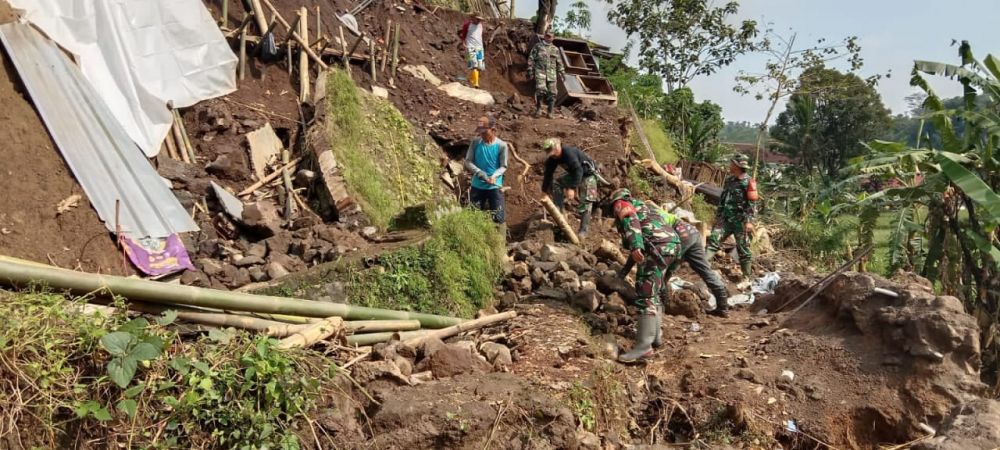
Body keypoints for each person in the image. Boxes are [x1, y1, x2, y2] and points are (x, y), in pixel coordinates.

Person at [606, 188, 681, 363]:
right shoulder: (646, 208)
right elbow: (644, 236)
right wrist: (624, 271)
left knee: (645, 294)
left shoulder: (622, 204)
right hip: (672, 246)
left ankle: (643, 347)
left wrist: (635, 245)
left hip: (658, 248)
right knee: (653, 291)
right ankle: (655, 338)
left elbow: (631, 222)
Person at [620, 206, 732, 323]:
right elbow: (637, 251)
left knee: (660, 269)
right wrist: (623, 273)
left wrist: (622, 274)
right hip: (692, 232)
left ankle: (662, 306)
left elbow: (638, 249)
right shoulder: (649, 213)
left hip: (681, 235)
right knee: (705, 270)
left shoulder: (642, 220)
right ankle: (723, 307)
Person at [707, 154, 759, 281]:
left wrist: (749, 221)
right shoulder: (730, 180)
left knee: (743, 248)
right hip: (725, 219)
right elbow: (723, 199)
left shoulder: (749, 182)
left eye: (732, 163)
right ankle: (703, 268)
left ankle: (746, 277)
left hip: (741, 222)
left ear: (737, 166)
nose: (730, 165)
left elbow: (753, 204)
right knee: (714, 240)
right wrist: (718, 216)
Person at [540, 138, 599, 238]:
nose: (553, 155)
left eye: (554, 152)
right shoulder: (553, 159)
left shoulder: (568, 153)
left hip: (588, 174)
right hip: (575, 175)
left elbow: (579, 170)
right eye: (551, 153)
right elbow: (548, 174)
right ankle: (560, 212)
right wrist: (544, 191)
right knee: (556, 184)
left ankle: (583, 231)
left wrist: (572, 188)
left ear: (558, 146)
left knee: (587, 200)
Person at [464, 116, 508, 225]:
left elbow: (503, 166)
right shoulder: (475, 143)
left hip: (494, 186)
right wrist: (479, 172)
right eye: (480, 132)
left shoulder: (501, 146)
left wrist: (494, 176)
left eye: (484, 132)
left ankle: (498, 240)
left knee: (499, 218)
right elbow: (468, 161)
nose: (482, 135)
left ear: (493, 130)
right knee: (473, 217)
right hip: (477, 186)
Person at [527, 32, 564, 118]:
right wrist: (530, 69)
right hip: (540, 72)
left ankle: (550, 112)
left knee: (553, 92)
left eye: (550, 36)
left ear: (553, 38)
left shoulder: (555, 49)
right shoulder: (538, 46)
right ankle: (539, 109)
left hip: (552, 74)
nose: (547, 38)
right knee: (540, 90)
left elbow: (559, 61)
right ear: (544, 36)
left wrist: (562, 72)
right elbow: (531, 58)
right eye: (546, 36)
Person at [457, 14, 486, 88]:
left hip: (479, 48)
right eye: (477, 19)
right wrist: (463, 43)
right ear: (473, 18)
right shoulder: (467, 25)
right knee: (473, 65)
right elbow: (463, 35)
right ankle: (476, 84)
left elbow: (479, 36)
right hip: (469, 47)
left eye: (480, 20)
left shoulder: (480, 25)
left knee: (480, 67)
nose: (479, 21)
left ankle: (470, 79)